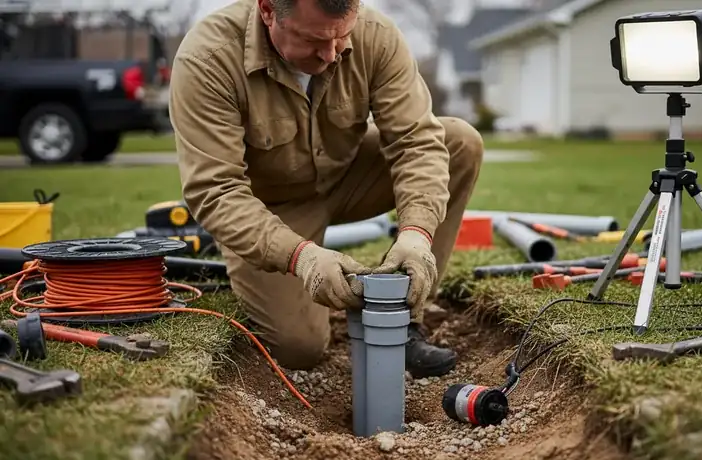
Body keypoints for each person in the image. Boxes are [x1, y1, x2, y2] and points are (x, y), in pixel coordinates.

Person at [169, 0, 484, 379]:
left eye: (342, 37)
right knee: (298, 348)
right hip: (273, 207)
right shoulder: (209, 59)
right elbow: (215, 190)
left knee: (459, 143)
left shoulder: (376, 36)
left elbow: (416, 142)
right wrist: (302, 257)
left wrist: (416, 235)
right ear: (269, 10)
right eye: (314, 40)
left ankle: (403, 322)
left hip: (349, 175)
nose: (332, 54)